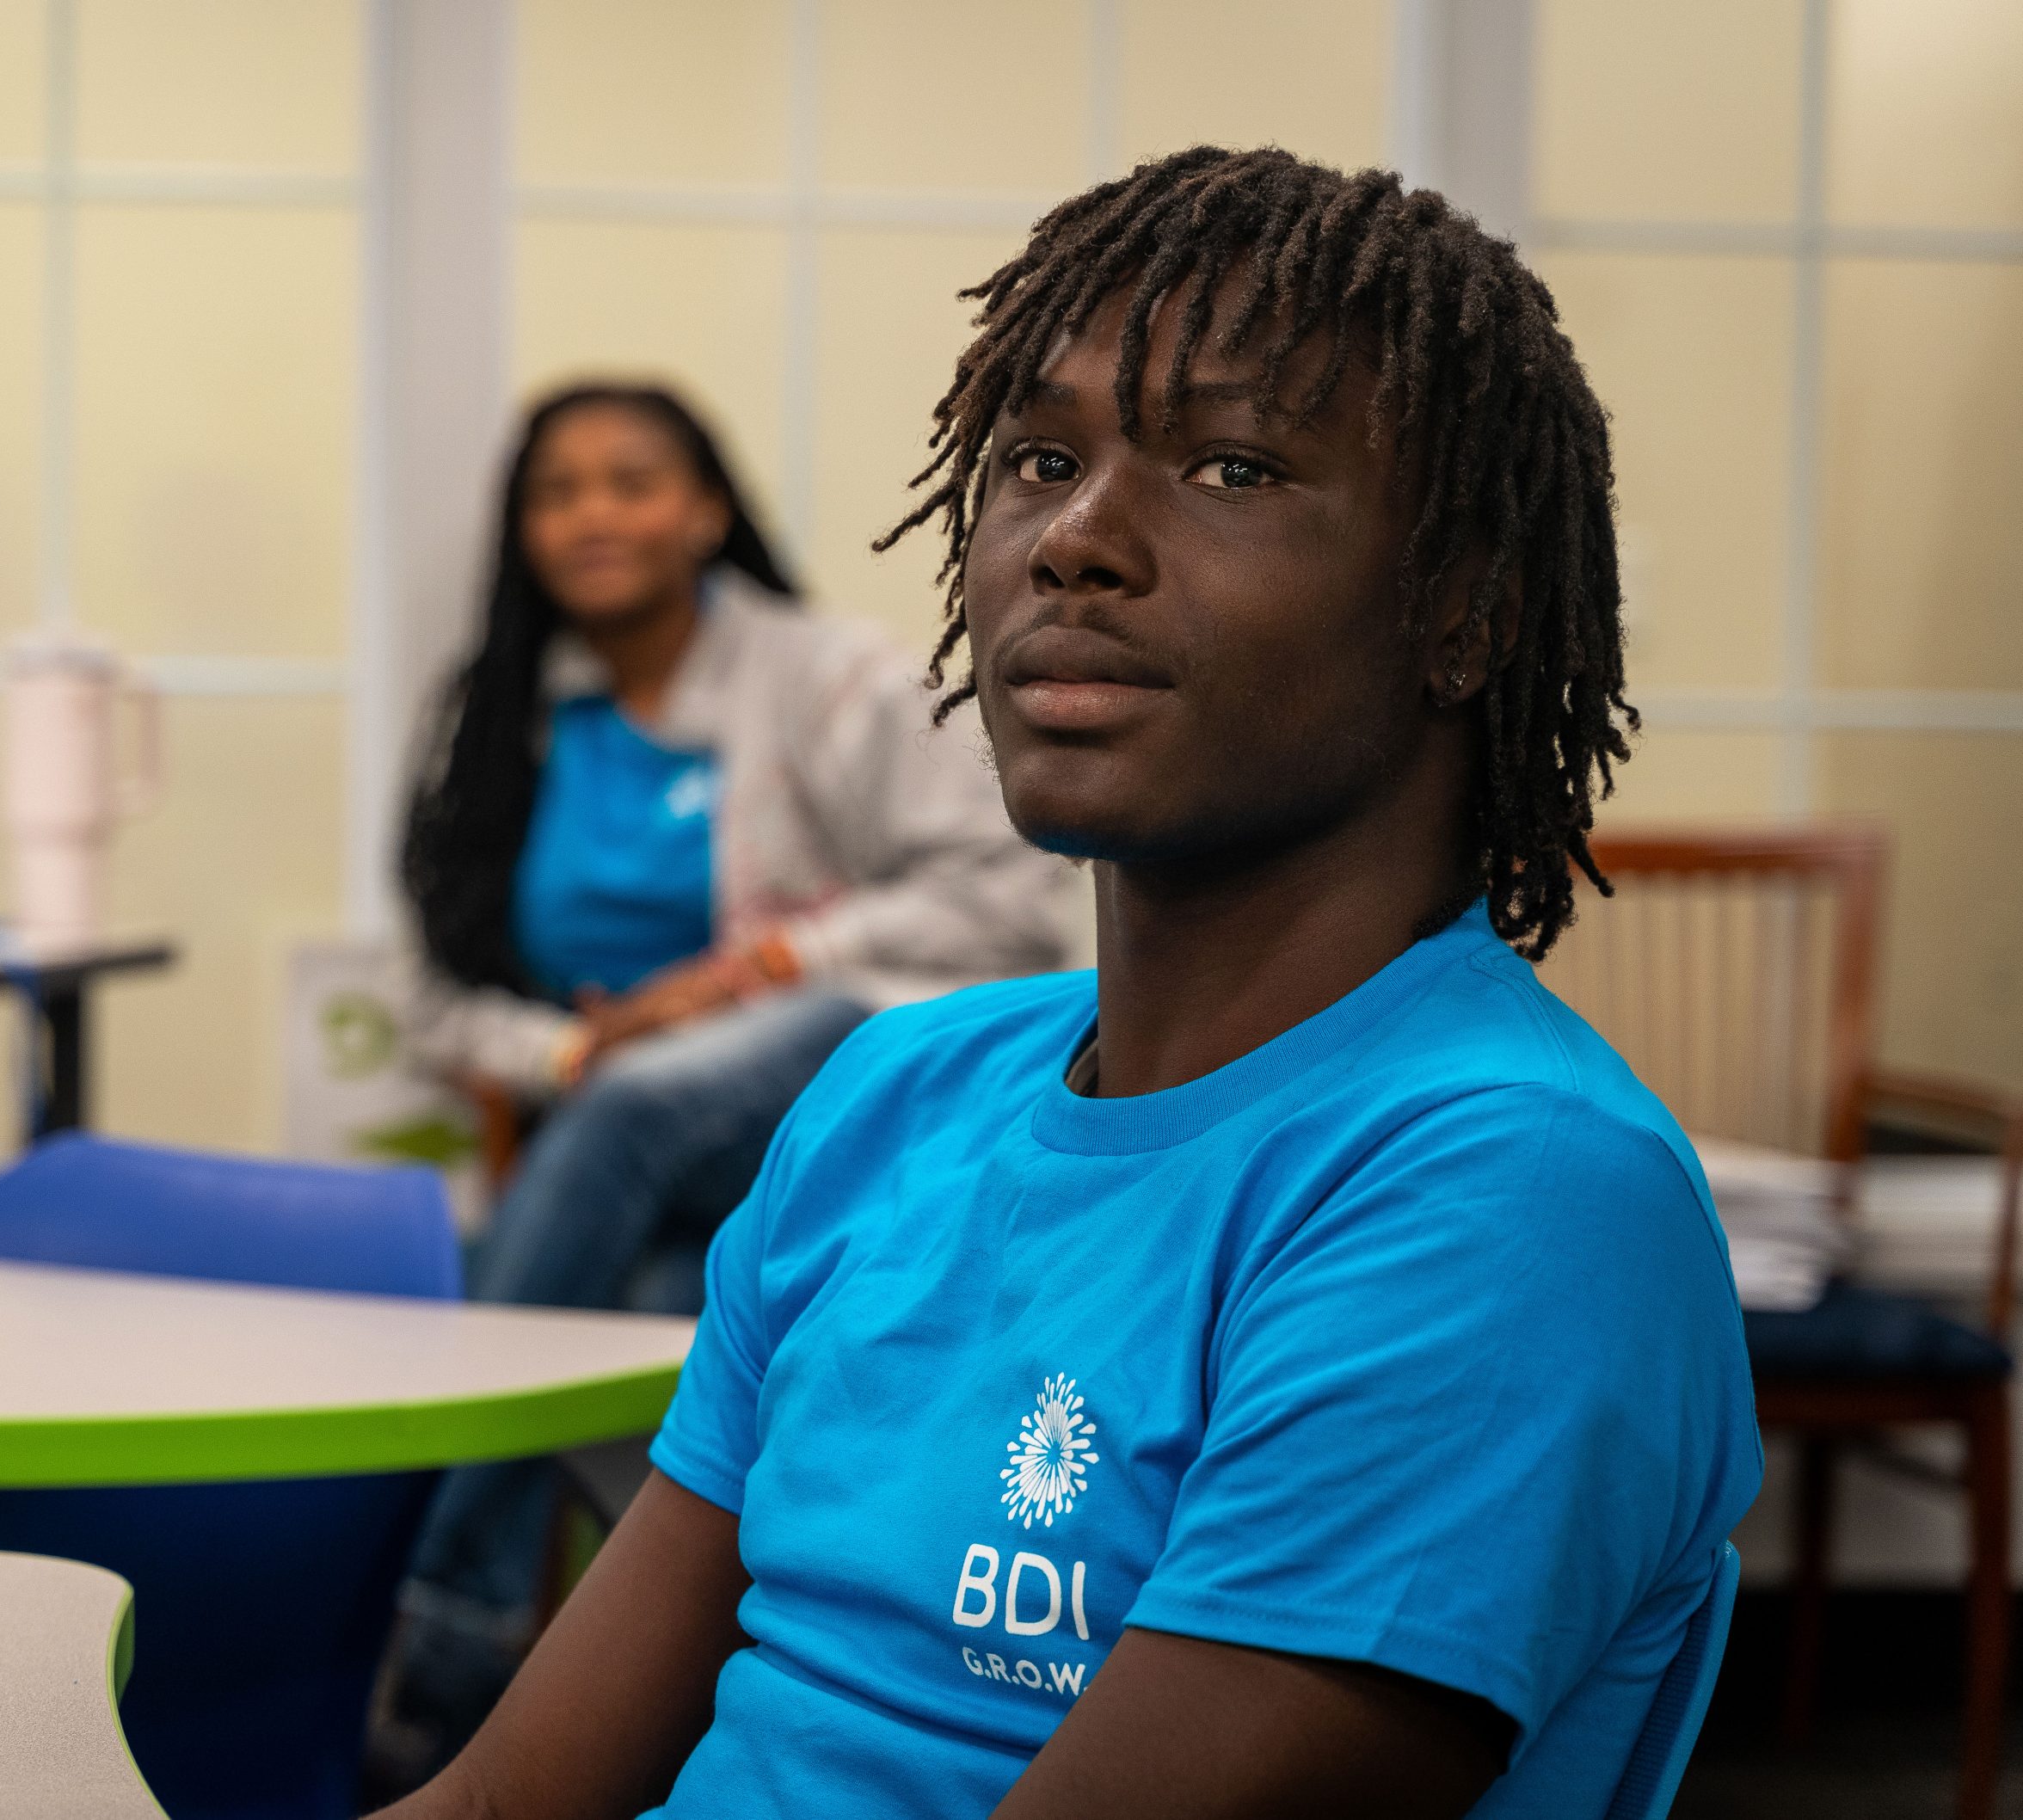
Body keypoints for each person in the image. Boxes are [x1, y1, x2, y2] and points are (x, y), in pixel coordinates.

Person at [382, 148, 1762, 1820]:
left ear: (1458, 611)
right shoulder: (891, 1100)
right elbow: (496, 1803)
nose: (1074, 539)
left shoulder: (1508, 1193)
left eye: (1233, 466)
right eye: (1036, 458)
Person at [387, 383, 1070, 1759]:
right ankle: (670, 1694)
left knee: (641, 1102)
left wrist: (752, 972)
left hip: (849, 1052)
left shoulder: (829, 675)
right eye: (557, 490)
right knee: (647, 1288)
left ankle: (442, 1624)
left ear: (706, 508)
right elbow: (437, 998)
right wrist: (571, 1045)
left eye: (630, 480)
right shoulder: (500, 711)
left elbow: (1009, 885)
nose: (592, 514)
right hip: (625, 1136)